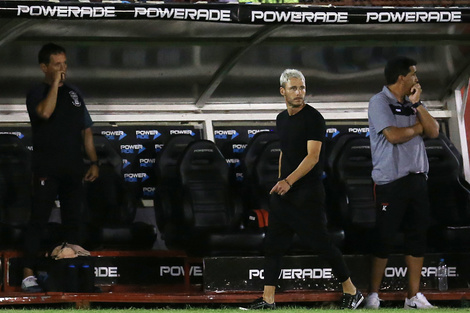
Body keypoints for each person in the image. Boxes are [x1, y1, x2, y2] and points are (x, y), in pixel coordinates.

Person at [243, 69, 363, 310]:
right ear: (282, 91)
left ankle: (351, 290)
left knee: (322, 243)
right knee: (273, 245)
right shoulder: (281, 119)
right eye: (294, 88)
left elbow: (313, 157)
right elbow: (285, 152)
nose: (299, 93)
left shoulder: (313, 118)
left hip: (307, 193)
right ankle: (268, 299)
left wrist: (289, 181)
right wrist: (280, 180)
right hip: (284, 193)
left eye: (302, 88)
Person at [21, 43, 99, 292]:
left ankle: (72, 273)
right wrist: (55, 84)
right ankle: (28, 274)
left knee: (73, 220)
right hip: (47, 167)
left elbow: (86, 129)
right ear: (44, 67)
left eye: (65, 64)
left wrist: (94, 161)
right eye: (57, 65)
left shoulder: (75, 93)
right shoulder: (36, 92)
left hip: (73, 167)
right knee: (39, 219)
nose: (63, 69)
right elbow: (44, 113)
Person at [365, 56, 440, 309]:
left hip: (417, 179)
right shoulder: (379, 102)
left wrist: (418, 107)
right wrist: (417, 128)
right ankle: (373, 295)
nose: (417, 80)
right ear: (401, 78)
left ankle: (413, 297)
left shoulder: (413, 103)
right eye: (413, 75)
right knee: (384, 239)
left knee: (417, 239)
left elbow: (434, 131)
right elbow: (393, 135)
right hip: (390, 182)